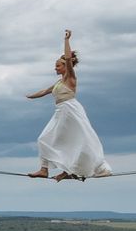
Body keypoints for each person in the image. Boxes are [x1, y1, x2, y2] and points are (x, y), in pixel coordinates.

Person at [25, 29, 112, 180]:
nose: (55, 68)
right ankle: (45, 170)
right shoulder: (59, 83)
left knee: (72, 141)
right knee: (45, 139)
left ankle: (67, 171)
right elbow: (45, 90)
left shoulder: (70, 78)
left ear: (66, 67)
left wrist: (66, 41)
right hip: (60, 111)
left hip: (70, 110)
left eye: (58, 65)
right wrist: (30, 96)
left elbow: (68, 58)